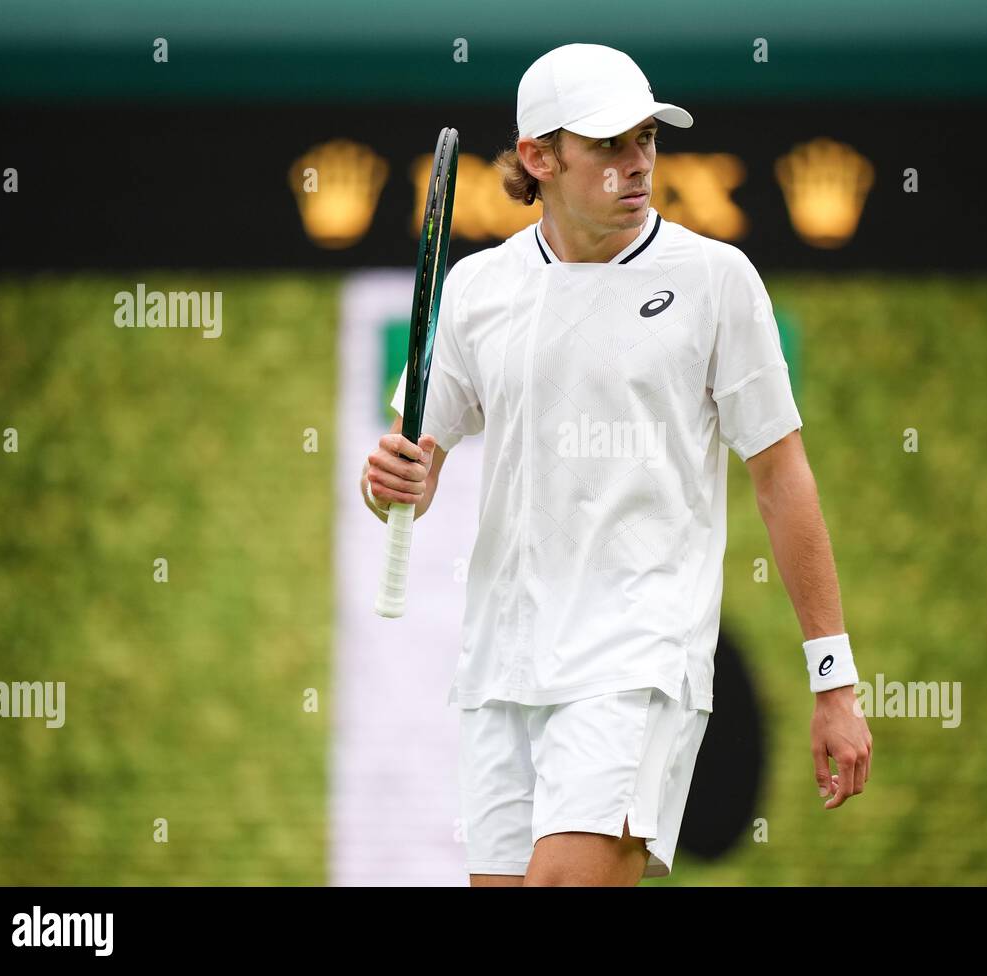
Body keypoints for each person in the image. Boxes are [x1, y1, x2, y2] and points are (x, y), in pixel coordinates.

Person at [361, 43, 871, 886]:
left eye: (647, 138)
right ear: (539, 157)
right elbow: (410, 470)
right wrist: (389, 484)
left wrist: (834, 681)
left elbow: (782, 480)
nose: (637, 163)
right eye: (608, 144)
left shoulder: (718, 281)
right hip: (499, 672)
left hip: (638, 662)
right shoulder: (478, 291)